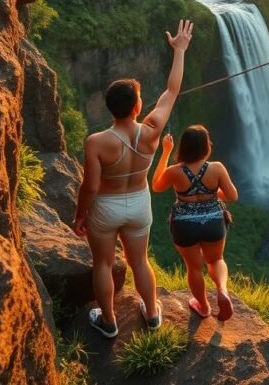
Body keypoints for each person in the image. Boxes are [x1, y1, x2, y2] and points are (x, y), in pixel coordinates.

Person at [72, 19, 194, 338]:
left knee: (103, 263)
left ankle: (109, 321)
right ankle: (152, 315)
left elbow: (91, 186)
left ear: (111, 108)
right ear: (138, 106)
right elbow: (172, 90)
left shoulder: (97, 142)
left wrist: (80, 215)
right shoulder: (152, 131)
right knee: (139, 262)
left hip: (106, 207)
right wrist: (179, 50)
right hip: (140, 203)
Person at [151, 126, 239, 321]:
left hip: (184, 225)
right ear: (206, 147)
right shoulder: (216, 168)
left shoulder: (175, 172)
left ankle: (203, 306)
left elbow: (156, 185)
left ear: (183, 147)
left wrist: (165, 152)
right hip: (213, 221)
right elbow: (232, 195)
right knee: (216, 260)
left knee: (194, 267)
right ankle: (222, 291)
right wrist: (211, 193)